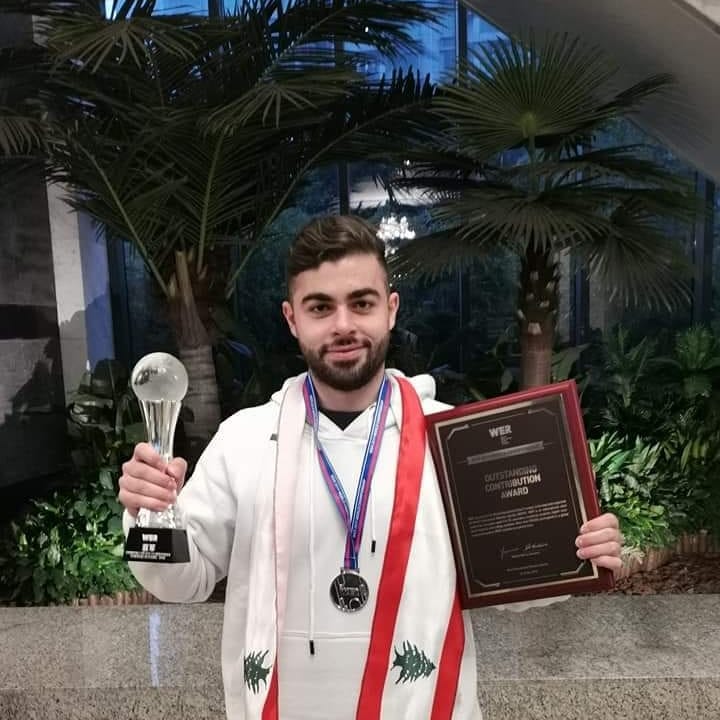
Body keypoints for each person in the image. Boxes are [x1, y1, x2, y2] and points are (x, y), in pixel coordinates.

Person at [119, 215, 622, 720]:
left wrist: (575, 547)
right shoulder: (245, 440)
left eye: (361, 303)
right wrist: (150, 515)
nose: (343, 325)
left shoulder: (453, 439)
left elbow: (506, 580)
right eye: (320, 307)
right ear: (292, 319)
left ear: (391, 310)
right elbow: (181, 582)